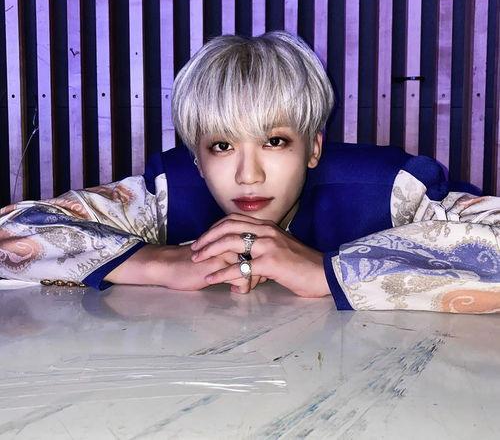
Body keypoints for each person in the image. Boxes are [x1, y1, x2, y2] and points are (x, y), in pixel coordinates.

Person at [0, 31, 499, 313]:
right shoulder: (166, 195)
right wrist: (158, 262)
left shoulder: (390, 189)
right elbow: (11, 230)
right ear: (198, 159)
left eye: (274, 141)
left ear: (313, 147)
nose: (248, 175)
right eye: (222, 146)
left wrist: (327, 270)